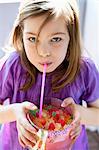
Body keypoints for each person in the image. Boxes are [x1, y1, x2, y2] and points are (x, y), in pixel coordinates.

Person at [0, 0, 99, 149]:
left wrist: (79, 113)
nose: (43, 52)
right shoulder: (12, 66)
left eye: (55, 39)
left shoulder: (84, 69)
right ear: (21, 35)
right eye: (32, 39)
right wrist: (14, 112)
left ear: (70, 38)